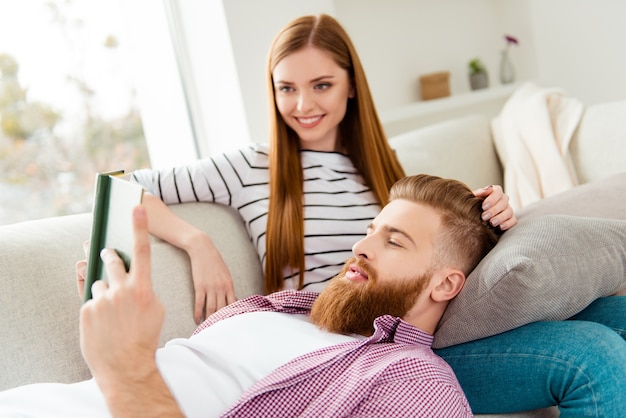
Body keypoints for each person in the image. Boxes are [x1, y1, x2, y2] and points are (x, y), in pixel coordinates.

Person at [90, 13, 626, 417]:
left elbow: (437, 250)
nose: (303, 104)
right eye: (287, 87)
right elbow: (116, 186)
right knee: (592, 354)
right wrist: (195, 242)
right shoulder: (252, 166)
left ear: (351, 84)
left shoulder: (383, 166)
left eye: (321, 85)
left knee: (615, 314)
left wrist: (492, 215)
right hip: (353, 354)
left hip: (425, 329)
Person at [0, 174, 500, 417]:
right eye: (371, 229)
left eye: (394, 241)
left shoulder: (411, 384)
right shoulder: (285, 306)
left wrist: (127, 371)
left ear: (446, 283)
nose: (361, 247)